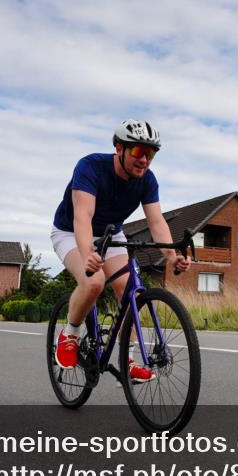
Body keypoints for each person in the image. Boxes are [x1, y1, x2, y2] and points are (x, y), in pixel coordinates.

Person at [51, 119, 191, 382]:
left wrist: (172, 256)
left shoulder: (147, 180)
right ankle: (70, 333)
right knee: (94, 282)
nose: (144, 160)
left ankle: (127, 360)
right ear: (119, 148)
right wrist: (87, 254)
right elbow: (83, 216)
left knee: (129, 290)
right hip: (71, 231)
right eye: (138, 151)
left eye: (150, 154)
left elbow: (156, 221)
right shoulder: (90, 166)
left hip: (111, 234)